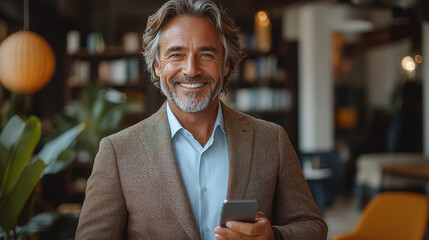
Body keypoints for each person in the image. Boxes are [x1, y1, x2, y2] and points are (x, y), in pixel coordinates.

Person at [75, 0, 328, 239]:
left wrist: (274, 236)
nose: (191, 69)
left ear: (226, 65)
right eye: (176, 55)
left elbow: (313, 226)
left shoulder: (271, 140)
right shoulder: (118, 153)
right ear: (156, 67)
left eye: (206, 54)